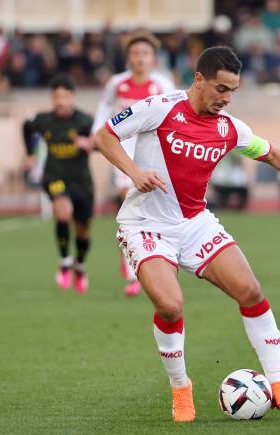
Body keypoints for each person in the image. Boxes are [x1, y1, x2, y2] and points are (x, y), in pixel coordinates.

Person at [94, 46, 280, 422]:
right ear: (199, 79)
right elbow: (106, 136)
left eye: (232, 90)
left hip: (195, 223)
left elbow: (272, 154)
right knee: (170, 305)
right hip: (146, 225)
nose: (226, 98)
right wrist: (134, 172)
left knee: (250, 290)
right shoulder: (160, 107)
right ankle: (181, 388)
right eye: (220, 88)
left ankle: (278, 382)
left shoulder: (229, 127)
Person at [92, 31, 176, 296]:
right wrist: (97, 135)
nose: (140, 58)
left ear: (153, 58)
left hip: (153, 151)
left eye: (145, 54)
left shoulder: (162, 83)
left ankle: (158, 258)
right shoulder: (117, 83)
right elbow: (104, 111)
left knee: (152, 207)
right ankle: (131, 267)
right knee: (128, 202)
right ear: (128, 58)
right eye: (135, 54)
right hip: (124, 150)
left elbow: (176, 113)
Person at [23, 74, 95, 293]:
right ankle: (64, 261)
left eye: (65, 96)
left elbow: (104, 141)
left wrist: (90, 144)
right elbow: (26, 126)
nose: (60, 101)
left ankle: (80, 266)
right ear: (52, 98)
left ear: (73, 97)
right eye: (56, 97)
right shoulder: (43, 120)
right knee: (62, 212)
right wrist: (30, 154)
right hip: (54, 177)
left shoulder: (86, 121)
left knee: (83, 231)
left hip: (81, 181)